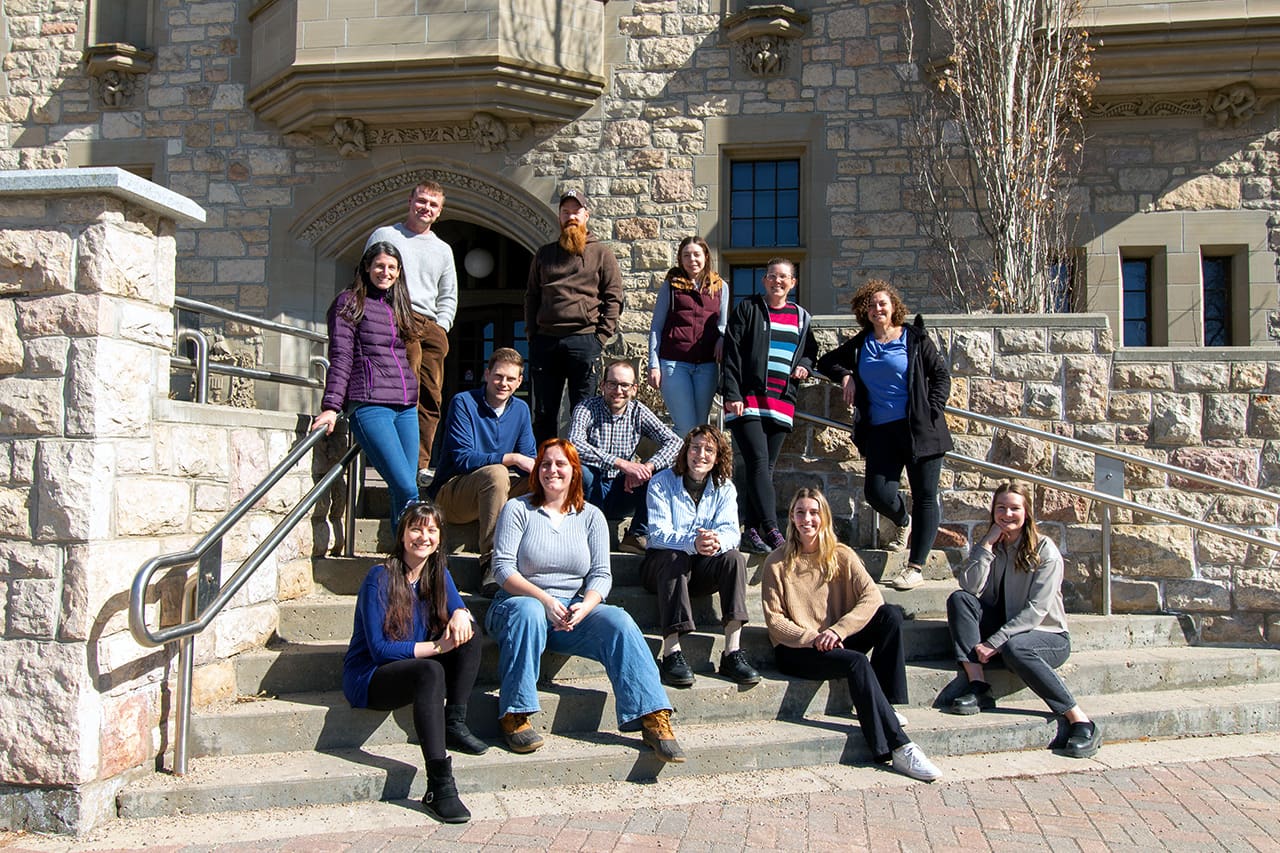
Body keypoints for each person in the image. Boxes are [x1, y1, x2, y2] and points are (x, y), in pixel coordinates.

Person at [485, 439, 685, 763]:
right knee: (530, 611)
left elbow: (602, 575)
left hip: (569, 613)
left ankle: (653, 717)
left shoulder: (591, 516)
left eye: (560, 464)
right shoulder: (518, 508)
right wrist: (545, 600)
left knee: (618, 620)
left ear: (574, 471)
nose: (552, 470)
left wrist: (586, 606)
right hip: (517, 604)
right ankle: (515, 714)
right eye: (546, 464)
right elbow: (502, 568)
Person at [761, 488, 941, 782]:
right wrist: (812, 637)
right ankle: (897, 748)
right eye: (800, 512)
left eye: (814, 512)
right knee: (857, 662)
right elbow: (774, 620)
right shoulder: (777, 562)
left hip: (833, 638)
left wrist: (837, 630)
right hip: (797, 649)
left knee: (891, 615)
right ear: (792, 518)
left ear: (824, 517)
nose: (807, 519)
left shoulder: (841, 555)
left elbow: (873, 597)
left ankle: (885, 703)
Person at [341, 502, 484, 823]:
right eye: (416, 529)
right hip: (372, 676)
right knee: (430, 670)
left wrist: (461, 612)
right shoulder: (379, 577)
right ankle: (439, 786)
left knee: (470, 633)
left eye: (431, 530)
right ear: (403, 535)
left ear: (439, 538)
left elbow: (460, 611)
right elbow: (379, 650)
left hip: (416, 664)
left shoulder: (438, 572)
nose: (424, 536)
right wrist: (437, 647)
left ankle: (454, 722)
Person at [945, 482, 1101, 759]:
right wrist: (987, 544)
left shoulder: (1045, 550)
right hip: (1007, 627)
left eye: (1015, 508)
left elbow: (1036, 610)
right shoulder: (995, 545)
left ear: (1027, 512)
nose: (1007, 514)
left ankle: (1080, 720)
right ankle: (978, 686)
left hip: (1046, 635)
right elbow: (969, 586)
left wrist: (995, 642)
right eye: (1001, 508)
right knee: (960, 600)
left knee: (1018, 647)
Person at [815, 279, 952, 591]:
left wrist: (932, 410)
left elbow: (940, 375)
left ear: (894, 308)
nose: (877, 308)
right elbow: (828, 362)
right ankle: (903, 521)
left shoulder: (914, 338)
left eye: (883, 303)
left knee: (925, 496)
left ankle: (916, 566)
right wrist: (847, 375)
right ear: (865, 311)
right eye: (872, 304)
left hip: (920, 429)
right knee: (877, 493)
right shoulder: (863, 342)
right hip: (881, 431)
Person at [641, 425, 759, 688]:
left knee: (734, 558)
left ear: (718, 457)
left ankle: (732, 652)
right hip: (661, 567)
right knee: (674, 557)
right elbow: (658, 534)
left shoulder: (724, 488)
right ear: (686, 450)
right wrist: (692, 543)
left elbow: (731, 531)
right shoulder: (662, 482)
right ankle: (671, 652)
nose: (700, 454)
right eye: (695, 447)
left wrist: (715, 542)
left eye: (709, 449)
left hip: (702, 569)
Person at [312, 242, 420, 525]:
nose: (386, 272)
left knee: (407, 489)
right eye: (380, 266)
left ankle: (406, 564)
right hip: (370, 404)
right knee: (406, 488)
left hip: (406, 406)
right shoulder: (349, 302)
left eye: (392, 268)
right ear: (367, 267)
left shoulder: (398, 305)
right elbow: (341, 356)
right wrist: (331, 406)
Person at [720, 258, 818, 553]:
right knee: (760, 463)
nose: (778, 281)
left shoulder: (802, 317)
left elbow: (810, 350)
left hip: (780, 402)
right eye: (772, 276)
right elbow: (732, 354)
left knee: (762, 468)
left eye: (784, 277)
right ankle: (773, 529)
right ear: (764, 281)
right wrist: (732, 393)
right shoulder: (748, 309)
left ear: (793, 283)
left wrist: (804, 365)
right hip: (747, 400)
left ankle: (751, 529)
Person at [367, 181, 458, 483]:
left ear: (440, 211)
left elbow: (448, 294)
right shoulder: (386, 236)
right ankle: (397, 460)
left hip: (430, 322)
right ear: (409, 201)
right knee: (403, 393)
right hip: (396, 315)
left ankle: (419, 464)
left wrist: (442, 327)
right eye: (421, 201)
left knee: (431, 395)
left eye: (433, 205)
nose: (426, 208)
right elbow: (370, 276)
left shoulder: (442, 249)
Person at [427, 347, 535, 592]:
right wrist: (512, 458)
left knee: (546, 478)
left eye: (510, 379)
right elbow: (463, 459)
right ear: (487, 374)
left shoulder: (520, 410)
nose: (503, 383)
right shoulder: (464, 403)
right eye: (498, 376)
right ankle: (492, 562)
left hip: (495, 492)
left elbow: (529, 457)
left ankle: (538, 554)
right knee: (496, 473)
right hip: (454, 492)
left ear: (519, 381)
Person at [524, 190, 624, 444]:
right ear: (559, 217)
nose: (571, 217)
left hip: (584, 340)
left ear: (586, 216)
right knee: (544, 412)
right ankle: (545, 467)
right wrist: (532, 335)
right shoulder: (544, 255)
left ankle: (581, 470)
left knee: (583, 411)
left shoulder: (601, 253)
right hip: (546, 341)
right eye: (565, 212)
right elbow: (532, 296)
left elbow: (614, 298)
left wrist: (599, 338)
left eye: (576, 212)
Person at [567, 360, 682, 553]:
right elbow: (574, 444)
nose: (618, 390)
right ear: (602, 385)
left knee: (663, 472)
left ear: (634, 389)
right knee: (582, 472)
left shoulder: (638, 412)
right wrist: (622, 464)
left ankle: (636, 535)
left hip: (622, 491)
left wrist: (647, 468)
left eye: (624, 385)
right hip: (590, 489)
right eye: (612, 384)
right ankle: (590, 533)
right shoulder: (586, 408)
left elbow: (675, 442)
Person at [647, 236, 729, 438]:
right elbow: (656, 327)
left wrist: (721, 338)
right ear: (680, 259)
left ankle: (691, 470)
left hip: (707, 367)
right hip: (674, 365)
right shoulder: (671, 286)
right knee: (685, 427)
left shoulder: (720, 287)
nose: (692, 259)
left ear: (706, 256)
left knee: (700, 428)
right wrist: (653, 364)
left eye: (696, 254)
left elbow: (724, 324)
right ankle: (673, 468)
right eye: (686, 255)